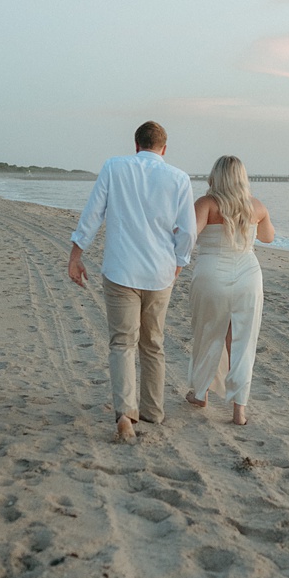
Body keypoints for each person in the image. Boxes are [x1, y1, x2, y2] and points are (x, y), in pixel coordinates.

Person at [68, 121, 197, 442]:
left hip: (121, 270)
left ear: (136, 144)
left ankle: (126, 415)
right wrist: (180, 263)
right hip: (160, 273)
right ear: (164, 149)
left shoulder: (114, 167)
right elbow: (188, 231)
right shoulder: (179, 178)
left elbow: (93, 213)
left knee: (123, 343)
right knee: (153, 343)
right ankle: (153, 410)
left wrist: (76, 254)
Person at [186, 155, 275, 425]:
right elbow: (268, 237)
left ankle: (201, 393)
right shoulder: (257, 206)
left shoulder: (207, 203)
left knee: (207, 333)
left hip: (211, 275)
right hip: (248, 276)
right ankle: (239, 409)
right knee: (242, 340)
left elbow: (189, 236)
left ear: (216, 176)